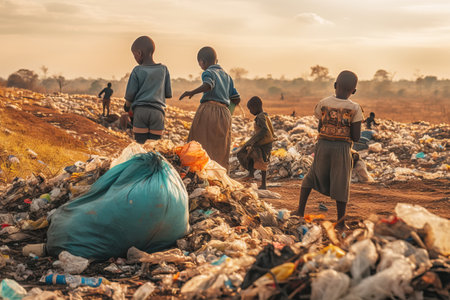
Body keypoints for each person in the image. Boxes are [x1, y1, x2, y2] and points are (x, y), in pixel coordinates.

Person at [295, 70, 363, 227]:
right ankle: (340, 222)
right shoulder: (355, 108)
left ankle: (300, 210)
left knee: (312, 175)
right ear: (354, 91)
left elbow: (320, 127)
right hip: (342, 148)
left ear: (334, 85)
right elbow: (356, 136)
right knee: (341, 182)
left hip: (323, 145)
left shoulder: (324, 103)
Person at [179, 46, 240, 171]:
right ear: (216, 60)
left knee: (198, 142)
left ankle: (196, 172)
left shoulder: (208, 72)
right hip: (224, 114)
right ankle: (218, 174)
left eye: (200, 63)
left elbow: (208, 85)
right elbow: (236, 98)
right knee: (220, 147)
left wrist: (191, 92)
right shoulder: (228, 77)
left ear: (202, 62)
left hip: (209, 110)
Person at [124, 36, 172, 144]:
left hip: (140, 112)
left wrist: (127, 106)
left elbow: (130, 94)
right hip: (158, 113)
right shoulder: (163, 69)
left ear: (139, 53)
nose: (134, 58)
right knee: (154, 146)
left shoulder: (137, 70)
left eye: (134, 55)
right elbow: (168, 93)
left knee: (141, 145)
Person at [237, 96, 275, 189]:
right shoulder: (265, 115)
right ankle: (256, 178)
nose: (250, 111)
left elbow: (264, 130)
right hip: (264, 143)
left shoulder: (261, 117)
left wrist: (251, 141)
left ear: (256, 106)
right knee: (259, 161)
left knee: (242, 153)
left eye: (250, 109)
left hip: (263, 143)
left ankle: (252, 175)